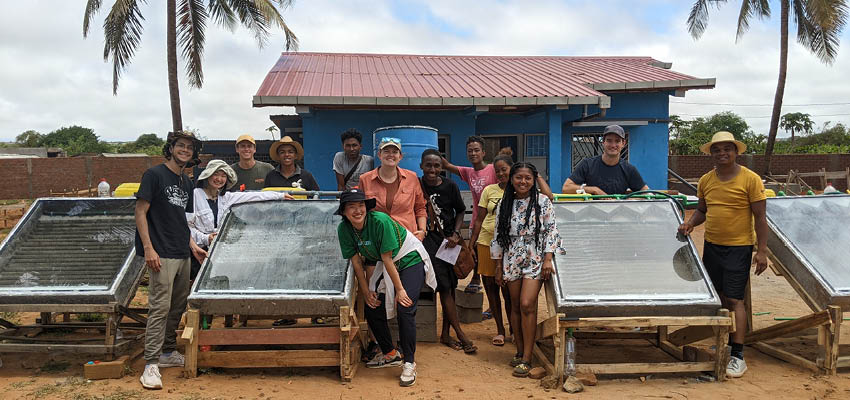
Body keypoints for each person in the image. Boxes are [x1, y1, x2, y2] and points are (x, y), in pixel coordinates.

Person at [678, 131, 768, 378]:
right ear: (711, 154)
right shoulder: (706, 180)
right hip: (713, 246)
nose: (722, 153)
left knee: (735, 300)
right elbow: (702, 210)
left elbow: (760, 218)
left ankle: (738, 355)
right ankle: (723, 342)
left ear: (736, 152)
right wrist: (691, 224)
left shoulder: (750, 180)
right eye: (717, 150)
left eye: (727, 149)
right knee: (717, 297)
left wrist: (761, 251)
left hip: (739, 247)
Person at [336, 189, 437, 387]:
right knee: (372, 304)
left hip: (408, 258)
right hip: (385, 263)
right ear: (344, 212)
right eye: (351, 207)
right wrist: (366, 292)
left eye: (361, 205)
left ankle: (409, 362)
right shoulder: (344, 230)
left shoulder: (379, 221)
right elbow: (357, 263)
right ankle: (390, 353)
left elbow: (387, 258)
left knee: (405, 307)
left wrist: (400, 290)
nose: (357, 210)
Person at [135, 131, 208, 390]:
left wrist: (192, 247)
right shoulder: (154, 175)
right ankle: (151, 364)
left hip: (181, 252)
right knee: (159, 308)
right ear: (171, 148)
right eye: (180, 146)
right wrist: (149, 249)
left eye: (189, 148)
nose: (185, 150)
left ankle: (167, 352)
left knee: (177, 306)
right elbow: (141, 212)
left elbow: (182, 221)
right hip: (161, 252)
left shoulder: (186, 182)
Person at [491, 162, 561, 378]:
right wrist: (497, 266)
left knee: (527, 304)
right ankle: (520, 351)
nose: (523, 182)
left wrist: (548, 259)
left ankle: (528, 357)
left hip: (535, 256)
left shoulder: (542, 202)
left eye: (527, 178)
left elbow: (551, 231)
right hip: (511, 257)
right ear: (512, 179)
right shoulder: (505, 203)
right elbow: (498, 235)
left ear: (533, 180)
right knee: (513, 305)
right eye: (518, 177)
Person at [188, 159, 293, 280]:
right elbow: (187, 226)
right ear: (207, 176)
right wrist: (206, 238)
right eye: (215, 174)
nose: (219, 179)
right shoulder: (195, 195)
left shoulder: (225, 197)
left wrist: (280, 195)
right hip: (197, 252)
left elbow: (252, 196)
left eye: (223, 176)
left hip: (217, 252)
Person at [419, 149, 477, 354]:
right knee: (443, 286)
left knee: (451, 285)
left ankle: (445, 334)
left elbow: (461, 210)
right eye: (428, 165)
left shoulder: (450, 185)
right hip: (428, 242)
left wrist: (455, 233)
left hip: (448, 242)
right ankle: (460, 333)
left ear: (442, 167)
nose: (433, 169)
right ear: (421, 166)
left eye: (437, 165)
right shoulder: (417, 185)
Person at [442, 136, 497, 293]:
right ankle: (475, 279)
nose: (473, 153)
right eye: (470, 151)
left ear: (483, 152)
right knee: (475, 252)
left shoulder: (493, 169)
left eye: (476, 150)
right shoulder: (468, 172)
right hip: (476, 221)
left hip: (493, 222)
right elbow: (447, 165)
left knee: (493, 257)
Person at [358, 137, 427, 239]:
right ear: (379, 155)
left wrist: (422, 231)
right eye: (386, 151)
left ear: (400, 156)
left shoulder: (412, 177)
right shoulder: (365, 179)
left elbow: (420, 207)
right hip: (377, 238)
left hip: (408, 237)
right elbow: (360, 208)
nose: (391, 155)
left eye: (395, 152)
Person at [561, 125, 649, 195]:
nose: (613, 145)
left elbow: (647, 193)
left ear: (623, 143)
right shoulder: (588, 164)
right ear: (603, 142)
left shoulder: (629, 169)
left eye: (617, 141)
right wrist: (594, 190)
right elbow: (566, 188)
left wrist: (627, 200)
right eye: (609, 141)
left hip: (619, 215)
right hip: (591, 215)